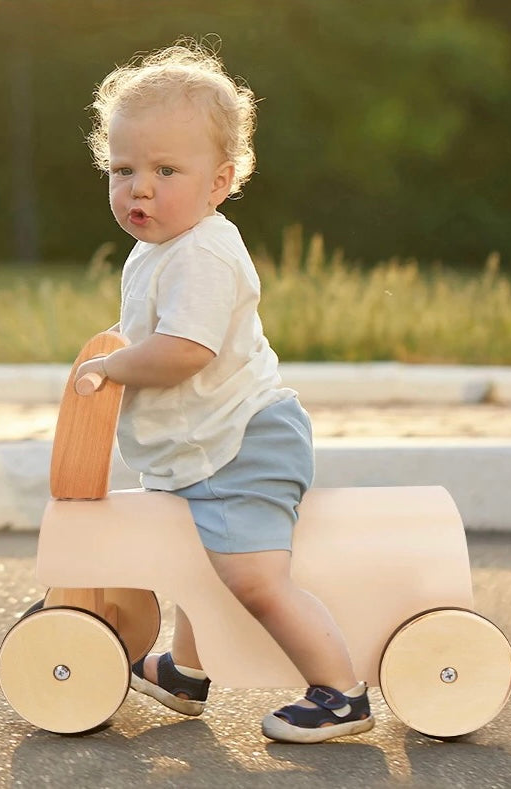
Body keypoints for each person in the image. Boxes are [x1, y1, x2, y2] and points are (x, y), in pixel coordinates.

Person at [74, 40, 374, 744]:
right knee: (193, 563)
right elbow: (153, 324)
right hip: (203, 443)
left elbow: (183, 350)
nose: (138, 187)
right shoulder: (157, 249)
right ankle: (184, 670)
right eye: (123, 170)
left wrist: (111, 367)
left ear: (220, 180)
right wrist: (118, 342)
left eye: (165, 170)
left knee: (252, 578)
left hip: (242, 444)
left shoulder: (206, 250)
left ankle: (339, 691)